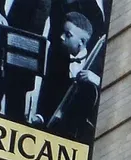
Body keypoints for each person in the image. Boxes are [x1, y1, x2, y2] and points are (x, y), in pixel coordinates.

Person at [37, 5, 103, 142]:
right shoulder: (56, 61)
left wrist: (95, 79)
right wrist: (40, 117)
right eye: (63, 32)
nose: (61, 37)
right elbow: (47, 96)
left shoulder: (97, 66)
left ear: (82, 42)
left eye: (68, 35)